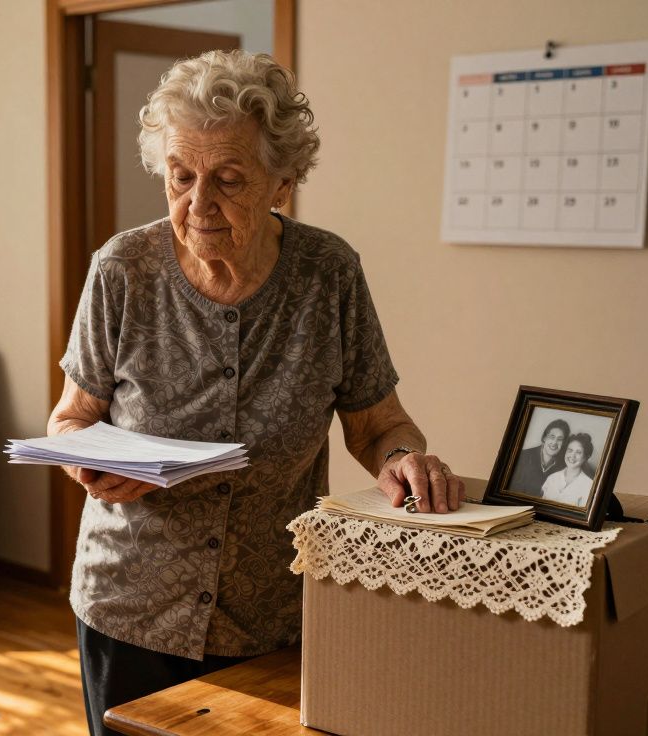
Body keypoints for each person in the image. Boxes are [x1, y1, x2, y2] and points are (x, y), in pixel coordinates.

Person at [47, 50, 462, 736]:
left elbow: (377, 425)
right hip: (130, 607)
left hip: (273, 613)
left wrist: (403, 460)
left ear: (282, 184)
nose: (197, 203)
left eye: (229, 179)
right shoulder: (122, 269)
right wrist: (92, 463)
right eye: (180, 176)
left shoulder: (328, 272)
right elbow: (72, 417)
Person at [508, 419, 570, 496]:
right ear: (544, 438)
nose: (554, 442)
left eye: (560, 439)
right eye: (552, 437)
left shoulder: (564, 466)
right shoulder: (522, 456)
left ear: (564, 443)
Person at [541, 434, 596, 507]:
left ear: (586, 457)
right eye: (570, 450)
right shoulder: (552, 478)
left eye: (578, 452)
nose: (572, 456)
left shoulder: (589, 485)